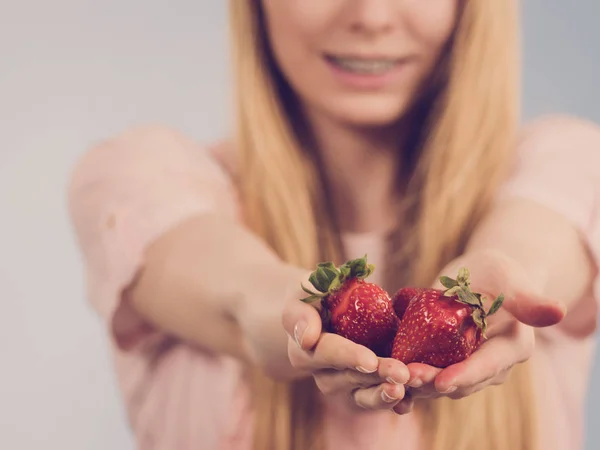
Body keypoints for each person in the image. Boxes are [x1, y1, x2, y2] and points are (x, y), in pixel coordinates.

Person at [67, 1, 600, 449]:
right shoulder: (136, 178)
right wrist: (304, 313)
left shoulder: (572, 160)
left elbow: (534, 243)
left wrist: (494, 290)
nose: (370, 16)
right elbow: (240, 297)